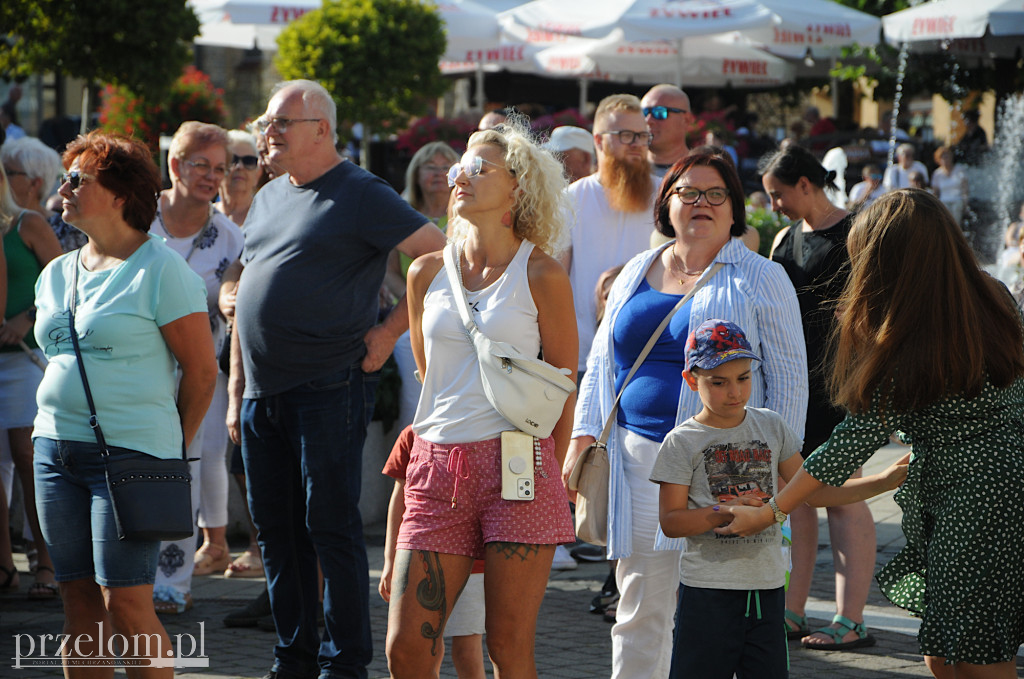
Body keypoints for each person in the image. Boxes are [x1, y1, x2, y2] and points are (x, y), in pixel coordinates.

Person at [719, 188, 1024, 679]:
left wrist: (773, 511)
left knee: (973, 657)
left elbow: (844, 448)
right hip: (997, 486)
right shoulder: (993, 294)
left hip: (973, 504)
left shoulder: (907, 329)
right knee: (949, 651)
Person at [228, 79, 446, 679]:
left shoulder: (360, 192)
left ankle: (345, 663)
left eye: (279, 124)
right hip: (261, 393)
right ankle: (292, 658)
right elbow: (250, 272)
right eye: (264, 124)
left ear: (321, 130)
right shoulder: (271, 195)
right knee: (276, 532)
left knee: (329, 527)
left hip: (328, 385)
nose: (265, 135)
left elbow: (438, 257)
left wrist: (389, 331)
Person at [565, 149, 807, 679]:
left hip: (727, 473)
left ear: (734, 208)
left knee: (716, 621)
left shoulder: (762, 277)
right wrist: (584, 433)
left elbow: (790, 385)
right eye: (687, 192)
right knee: (639, 610)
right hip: (636, 465)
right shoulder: (634, 269)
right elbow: (602, 361)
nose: (701, 203)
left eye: (715, 193)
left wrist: (773, 486)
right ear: (666, 205)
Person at [386, 115, 577, 678]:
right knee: (406, 647)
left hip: (517, 467)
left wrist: (551, 476)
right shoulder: (424, 273)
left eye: (477, 166)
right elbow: (429, 375)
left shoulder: (541, 273)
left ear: (517, 185)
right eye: (458, 165)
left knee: (508, 647)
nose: (457, 173)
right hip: (436, 467)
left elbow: (562, 385)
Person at [32, 131, 216, 675]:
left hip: (131, 458)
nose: (63, 188)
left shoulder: (163, 271)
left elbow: (203, 374)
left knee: (128, 605)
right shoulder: (57, 273)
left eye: (77, 179)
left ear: (118, 195)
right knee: (78, 603)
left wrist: (166, 452)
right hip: (54, 453)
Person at [652, 319, 907, 679]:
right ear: (692, 380)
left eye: (743, 377)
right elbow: (671, 521)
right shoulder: (682, 441)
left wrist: (882, 481)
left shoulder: (771, 425)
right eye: (718, 382)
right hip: (707, 592)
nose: (735, 392)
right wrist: (721, 512)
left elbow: (813, 493)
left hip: (769, 591)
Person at [761, 144, 879, 650]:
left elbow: (879, 304)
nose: (774, 206)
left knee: (844, 497)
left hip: (839, 383)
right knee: (797, 500)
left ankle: (851, 619)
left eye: (778, 195)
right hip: (791, 383)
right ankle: (792, 610)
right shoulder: (785, 238)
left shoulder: (856, 233)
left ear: (805, 184)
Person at [148, 121, 243, 613]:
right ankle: (121, 580)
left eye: (220, 168)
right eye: (200, 165)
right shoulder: (136, 219)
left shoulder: (232, 238)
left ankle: (172, 585)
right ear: (175, 164)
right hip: (134, 377)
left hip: (200, 380)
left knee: (184, 477)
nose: (211, 176)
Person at [0, 160, 63, 600]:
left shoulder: (27, 223)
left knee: (27, 457)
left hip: (26, 360)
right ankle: (5, 567)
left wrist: (26, 317)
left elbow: (63, 283)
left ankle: (48, 561)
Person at [562, 93, 658, 381]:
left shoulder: (667, 196)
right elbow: (555, 278)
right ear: (599, 141)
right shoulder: (570, 199)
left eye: (643, 136)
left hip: (650, 357)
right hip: (583, 359)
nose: (638, 145)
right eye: (627, 136)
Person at [380, 426, 486, 679]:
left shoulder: (482, 428)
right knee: (423, 648)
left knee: (467, 651)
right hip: (420, 555)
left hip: (474, 563)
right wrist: (390, 561)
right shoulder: (412, 433)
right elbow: (400, 498)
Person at [1, 136, 87, 252]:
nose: (2, 178)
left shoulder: (66, 230)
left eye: (8, 172)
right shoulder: (4, 221)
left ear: (34, 183)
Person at [640, 84, 694, 178]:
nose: (648, 120)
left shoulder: (701, 172)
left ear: (686, 120)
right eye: (643, 113)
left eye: (659, 112)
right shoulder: (628, 171)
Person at [216, 129, 264, 227]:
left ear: (258, 174)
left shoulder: (267, 217)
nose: (240, 166)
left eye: (249, 161)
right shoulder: (202, 217)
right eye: (232, 160)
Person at [930, 145, 968, 227]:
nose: (945, 160)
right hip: (944, 201)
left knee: (956, 220)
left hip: (957, 200)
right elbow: (935, 192)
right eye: (943, 158)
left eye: (947, 157)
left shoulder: (959, 169)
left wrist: (965, 201)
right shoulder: (937, 174)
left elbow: (965, 187)